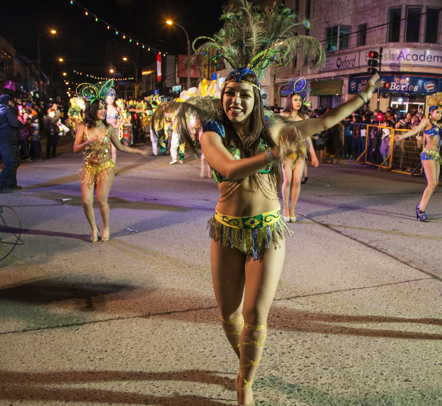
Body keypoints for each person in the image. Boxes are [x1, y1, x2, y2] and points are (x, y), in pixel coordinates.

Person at [163, 2, 379, 403]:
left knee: (255, 316)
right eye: (230, 94)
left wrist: (363, 96)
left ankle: (245, 383)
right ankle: (246, 362)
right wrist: (272, 156)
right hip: (225, 232)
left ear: (255, 99)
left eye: (244, 95)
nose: (236, 102)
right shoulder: (213, 131)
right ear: (222, 98)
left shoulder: (273, 127)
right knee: (228, 315)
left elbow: (322, 123)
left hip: (267, 232)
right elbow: (227, 170)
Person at [73, 80, 149, 242]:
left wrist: (138, 151)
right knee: (86, 202)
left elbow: (120, 147)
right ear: (92, 110)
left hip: (105, 167)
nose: (102, 110)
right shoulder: (83, 128)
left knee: (101, 200)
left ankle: (106, 227)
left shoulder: (109, 128)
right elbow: (75, 148)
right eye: (99, 108)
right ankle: (94, 228)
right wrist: (87, 142)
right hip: (89, 167)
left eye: (103, 108)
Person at [398, 93, 442, 221]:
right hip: (428, 154)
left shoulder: (440, 125)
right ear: (432, 112)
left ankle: (420, 207)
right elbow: (415, 130)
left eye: (441, 113)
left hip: (436, 155)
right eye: (438, 112)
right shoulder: (427, 121)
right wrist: (402, 136)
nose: (439, 114)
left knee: (435, 184)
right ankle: (420, 209)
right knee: (432, 183)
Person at [279, 77, 319, 222]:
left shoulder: (304, 118)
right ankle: (285, 207)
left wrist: (313, 154)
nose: (298, 102)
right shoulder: (282, 116)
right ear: (290, 101)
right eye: (295, 99)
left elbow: (307, 137)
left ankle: (292, 209)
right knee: (288, 180)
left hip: (301, 152)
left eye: (299, 100)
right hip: (287, 152)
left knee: (297, 181)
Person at [0, 94, 21, 193]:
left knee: (15, 161)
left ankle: (11, 184)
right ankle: (2, 184)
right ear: (9, 101)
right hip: (6, 139)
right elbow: (15, 123)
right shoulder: (7, 109)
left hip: (4, 139)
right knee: (11, 162)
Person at [105, 88, 123, 167]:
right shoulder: (104, 108)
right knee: (106, 149)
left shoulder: (117, 108)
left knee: (114, 150)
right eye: (108, 98)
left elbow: (121, 117)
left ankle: (113, 167)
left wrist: (118, 124)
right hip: (106, 130)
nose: (110, 100)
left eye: (111, 98)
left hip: (115, 130)